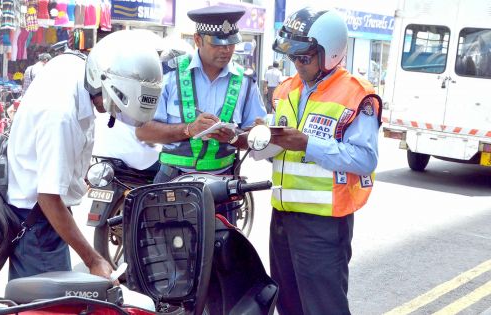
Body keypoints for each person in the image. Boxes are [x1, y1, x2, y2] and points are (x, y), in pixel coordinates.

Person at [6, 30, 163, 281]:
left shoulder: (74, 65)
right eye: (111, 103)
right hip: (38, 222)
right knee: (49, 308)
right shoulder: (60, 115)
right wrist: (94, 259)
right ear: (101, 81)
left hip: (44, 216)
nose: (109, 111)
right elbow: (48, 197)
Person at [268, 8, 382, 315]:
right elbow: (280, 150)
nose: (297, 65)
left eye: (304, 58)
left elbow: (365, 159)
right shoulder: (287, 89)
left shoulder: (356, 94)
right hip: (282, 217)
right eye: (293, 58)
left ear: (329, 53)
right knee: (288, 303)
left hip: (323, 224)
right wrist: (257, 139)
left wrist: (308, 144)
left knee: (323, 308)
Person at [136, 5, 267, 184]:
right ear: (198, 40)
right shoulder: (168, 74)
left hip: (224, 182)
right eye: (217, 44)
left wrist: (234, 137)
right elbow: (143, 131)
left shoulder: (245, 81)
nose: (226, 50)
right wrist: (189, 130)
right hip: (172, 180)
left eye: (231, 43)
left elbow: (256, 138)